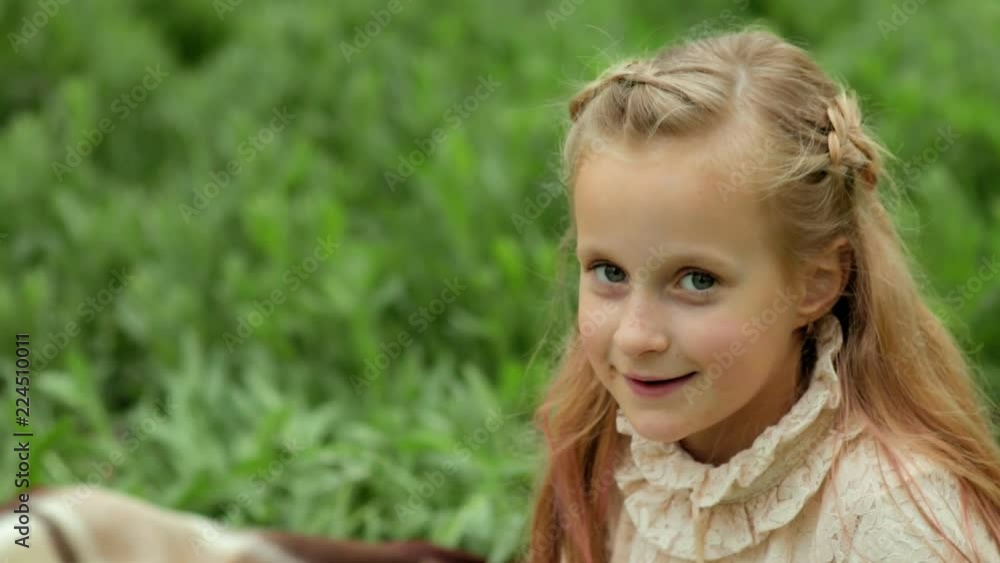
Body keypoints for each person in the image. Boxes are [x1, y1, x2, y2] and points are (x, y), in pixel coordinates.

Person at [525, 26, 1000, 563]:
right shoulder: (617, 458)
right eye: (609, 272)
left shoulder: (887, 527)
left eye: (697, 280)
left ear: (816, 283)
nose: (636, 336)